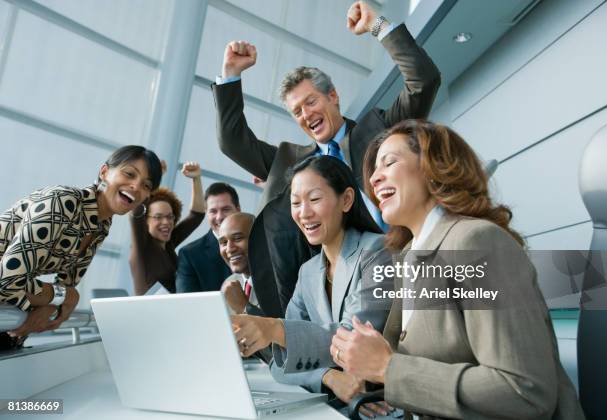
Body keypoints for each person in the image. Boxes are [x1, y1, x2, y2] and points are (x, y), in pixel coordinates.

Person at [329, 120, 585, 419]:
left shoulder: (476, 241)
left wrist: (388, 367)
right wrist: (368, 363)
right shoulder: (409, 257)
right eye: (373, 171)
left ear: (433, 166)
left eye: (389, 162)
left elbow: (524, 391)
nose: (373, 179)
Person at [213, 0, 441, 318]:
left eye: (311, 102)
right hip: (330, 297)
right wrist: (230, 75)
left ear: (332, 96)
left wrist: (378, 25)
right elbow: (233, 142)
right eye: (297, 111)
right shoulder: (288, 162)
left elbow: (423, 80)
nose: (306, 115)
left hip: (400, 269)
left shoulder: (379, 131)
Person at [230, 156, 392, 415]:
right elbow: (281, 362)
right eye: (296, 203)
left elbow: (351, 338)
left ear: (347, 200)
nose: (303, 212)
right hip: (332, 406)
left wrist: (274, 328)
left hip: (378, 406)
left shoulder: (377, 251)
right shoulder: (308, 272)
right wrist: (327, 377)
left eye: (314, 199)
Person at [0, 145, 162, 348]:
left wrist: (54, 302)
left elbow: (66, 286)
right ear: (104, 172)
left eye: (146, 185)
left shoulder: (101, 226)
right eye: (129, 174)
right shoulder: (62, 201)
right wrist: (67, 297)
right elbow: (7, 279)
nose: (136, 187)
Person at [129, 161, 205, 295]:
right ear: (145, 221)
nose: (166, 222)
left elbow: (196, 216)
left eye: (170, 217)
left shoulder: (168, 243)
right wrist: (153, 177)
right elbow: (136, 211)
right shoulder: (142, 246)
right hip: (148, 313)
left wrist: (196, 178)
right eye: (158, 217)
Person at [175, 183, 240, 293]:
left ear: (238, 210)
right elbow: (187, 303)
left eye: (225, 209)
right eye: (213, 211)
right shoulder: (189, 255)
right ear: (206, 213)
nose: (219, 217)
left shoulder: (256, 243)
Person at [217, 212, 263, 316]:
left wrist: (244, 307)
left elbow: (280, 329)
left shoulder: (278, 282)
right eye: (223, 242)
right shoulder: (229, 282)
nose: (229, 249)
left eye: (237, 238)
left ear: (260, 239)